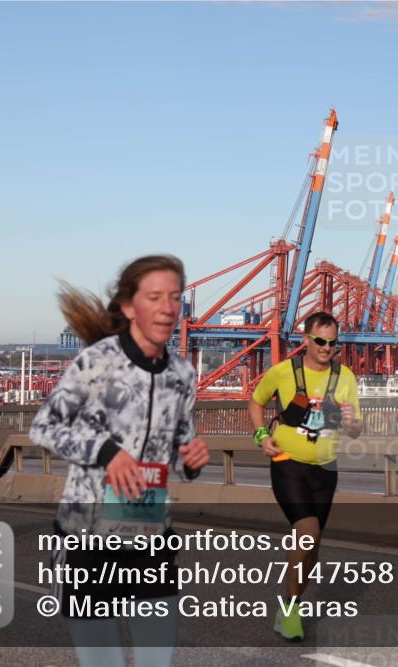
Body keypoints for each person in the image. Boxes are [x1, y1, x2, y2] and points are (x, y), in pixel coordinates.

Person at [29, 254, 209, 667]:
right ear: (129, 306)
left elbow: (180, 447)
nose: (168, 308)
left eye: (175, 298)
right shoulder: (97, 362)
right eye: (155, 297)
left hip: (151, 536)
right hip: (87, 539)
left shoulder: (183, 374)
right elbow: (44, 427)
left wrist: (192, 458)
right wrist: (106, 453)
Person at [248, 311, 363, 641]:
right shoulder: (283, 372)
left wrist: (352, 421)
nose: (327, 347)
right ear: (306, 340)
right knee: (307, 532)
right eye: (321, 341)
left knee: (312, 548)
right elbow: (255, 402)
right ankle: (291, 610)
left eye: (333, 342)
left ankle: (289, 605)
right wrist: (260, 436)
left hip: (325, 469)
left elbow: (355, 429)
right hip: (287, 462)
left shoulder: (345, 377)